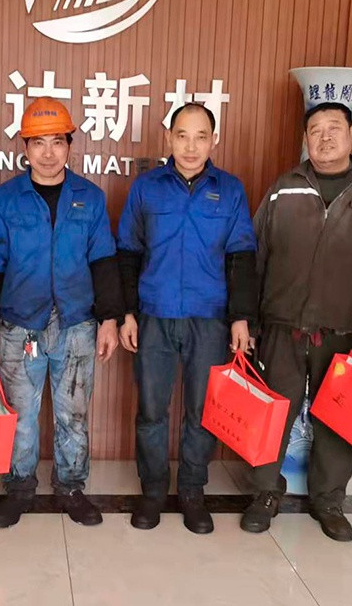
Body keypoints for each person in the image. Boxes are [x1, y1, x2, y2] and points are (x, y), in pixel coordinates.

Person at [241, 102, 352, 541]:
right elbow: (255, 255)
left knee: (337, 419)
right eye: (315, 129)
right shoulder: (284, 189)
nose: (325, 137)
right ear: (305, 139)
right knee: (272, 414)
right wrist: (249, 319)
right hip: (282, 325)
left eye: (335, 127)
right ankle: (265, 493)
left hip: (344, 329)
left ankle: (329, 500)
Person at [0, 97, 123, 528]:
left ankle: (71, 488)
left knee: (73, 416)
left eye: (57, 142)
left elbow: (104, 261)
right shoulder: (5, 200)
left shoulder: (89, 198)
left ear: (69, 145)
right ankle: (19, 488)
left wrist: (109, 319)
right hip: (19, 325)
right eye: (38, 143)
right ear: (25, 147)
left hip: (77, 324)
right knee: (19, 417)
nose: (48, 153)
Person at [116, 103, 257, 534]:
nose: (191, 146)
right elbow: (128, 253)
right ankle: (153, 490)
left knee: (201, 411)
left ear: (214, 140)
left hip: (209, 317)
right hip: (154, 314)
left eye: (200, 137)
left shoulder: (230, 190)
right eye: (182, 135)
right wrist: (127, 313)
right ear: (169, 139)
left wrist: (240, 318)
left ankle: (193, 491)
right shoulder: (146, 188)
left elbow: (241, 256)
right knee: (151, 411)